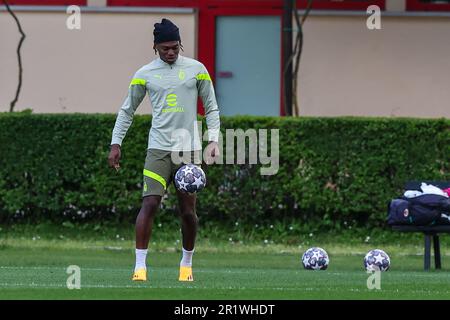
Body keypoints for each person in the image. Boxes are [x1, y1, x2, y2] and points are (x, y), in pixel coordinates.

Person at [108, 18, 220, 282]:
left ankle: (186, 264)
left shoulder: (197, 70)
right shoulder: (144, 74)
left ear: (180, 45)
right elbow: (127, 111)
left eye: (174, 47)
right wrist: (116, 143)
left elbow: (212, 107)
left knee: (188, 212)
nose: (170, 52)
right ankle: (140, 268)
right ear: (155, 47)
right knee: (149, 203)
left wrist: (213, 140)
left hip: (189, 152)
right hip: (158, 150)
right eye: (164, 48)